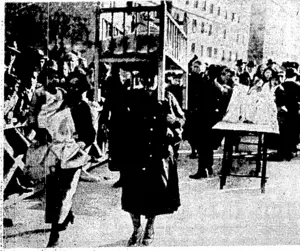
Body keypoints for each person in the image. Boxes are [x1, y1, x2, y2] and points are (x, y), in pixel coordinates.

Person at [121, 69, 181, 246]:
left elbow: (181, 120)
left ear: (159, 78)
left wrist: (174, 122)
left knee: (155, 192)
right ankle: (136, 228)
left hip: (158, 151)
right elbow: (122, 121)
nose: (147, 81)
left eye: (152, 78)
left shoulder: (166, 96)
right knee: (132, 193)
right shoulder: (132, 95)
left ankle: (149, 226)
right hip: (136, 150)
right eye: (144, 78)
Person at [189, 66, 233, 179]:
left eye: (227, 74)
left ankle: (206, 169)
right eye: (223, 74)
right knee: (204, 146)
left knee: (206, 146)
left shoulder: (224, 87)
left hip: (213, 120)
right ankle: (205, 169)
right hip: (206, 120)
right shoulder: (210, 85)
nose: (226, 77)